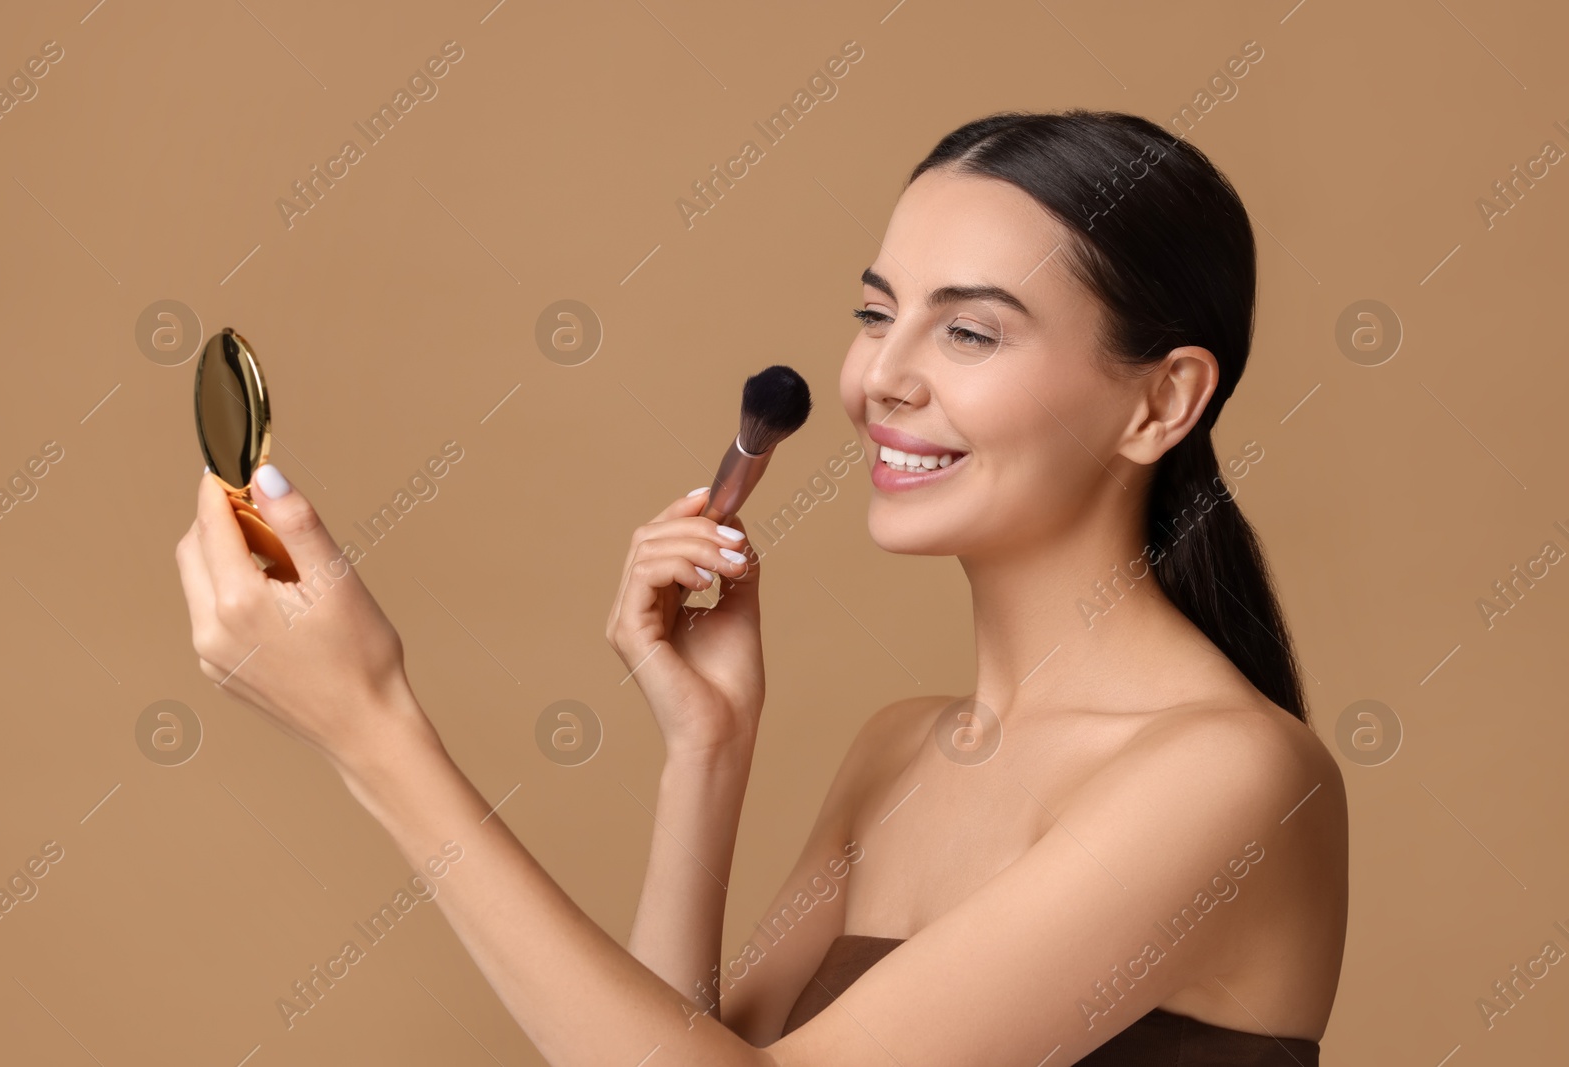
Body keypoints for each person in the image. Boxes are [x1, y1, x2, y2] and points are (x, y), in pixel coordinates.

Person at [176, 108, 1347, 1066]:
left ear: (1160, 401)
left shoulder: (1230, 777)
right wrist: (707, 749)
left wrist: (374, 728)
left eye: (970, 334)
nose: (880, 378)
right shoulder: (900, 752)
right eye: (876, 314)